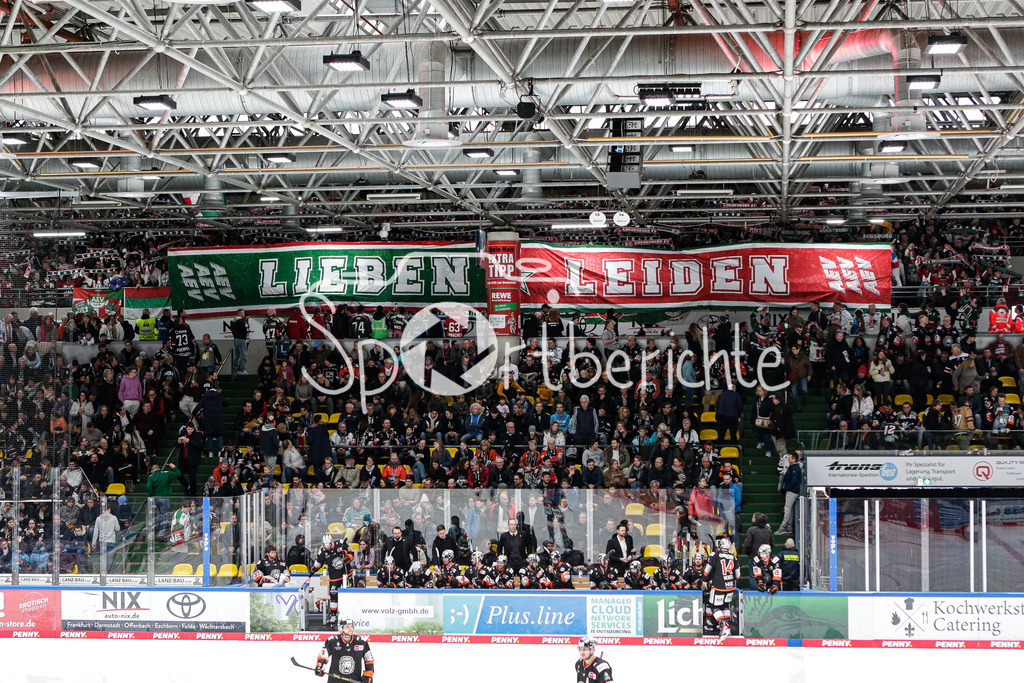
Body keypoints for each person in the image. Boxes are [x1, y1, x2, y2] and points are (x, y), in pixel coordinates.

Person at [312, 533, 355, 629]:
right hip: (334, 576)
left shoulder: (341, 543)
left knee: (349, 593)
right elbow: (317, 565)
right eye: (325, 546)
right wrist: (310, 575)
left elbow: (352, 552)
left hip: (346, 573)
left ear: (332, 542)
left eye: (329, 545)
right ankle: (333, 615)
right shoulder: (322, 551)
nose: (327, 548)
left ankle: (350, 613)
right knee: (333, 594)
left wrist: (349, 557)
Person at [315, 618, 374, 683]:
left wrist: (368, 674)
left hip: (354, 680)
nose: (350, 628)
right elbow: (323, 655)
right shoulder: (332, 641)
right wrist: (320, 665)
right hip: (335, 680)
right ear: (341, 628)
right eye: (347, 627)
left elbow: (369, 659)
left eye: (351, 626)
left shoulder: (361, 642)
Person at [703, 536, 739, 639]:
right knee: (724, 606)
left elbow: (708, 569)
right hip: (730, 586)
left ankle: (723, 626)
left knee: (714, 606)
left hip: (718, 586)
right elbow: (738, 575)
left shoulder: (715, 555)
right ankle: (727, 628)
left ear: (720, 546)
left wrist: (705, 578)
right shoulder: (733, 557)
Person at [778, 453, 802, 535]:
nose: (788, 459)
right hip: (791, 491)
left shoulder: (795, 468)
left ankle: (782, 527)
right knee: (790, 510)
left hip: (792, 491)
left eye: (790, 458)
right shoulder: (792, 467)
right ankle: (789, 527)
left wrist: (788, 488)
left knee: (787, 509)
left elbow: (794, 481)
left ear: (794, 459)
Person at [226, 309, 250, 373]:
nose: (244, 315)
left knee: (237, 355)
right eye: (243, 313)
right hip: (241, 339)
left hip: (236, 339)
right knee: (243, 354)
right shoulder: (241, 321)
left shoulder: (234, 321)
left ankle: (235, 369)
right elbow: (244, 331)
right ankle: (242, 369)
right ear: (240, 314)